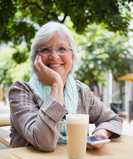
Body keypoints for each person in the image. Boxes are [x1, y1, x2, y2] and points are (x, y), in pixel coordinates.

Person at [8, 21, 122, 151]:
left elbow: (113, 120)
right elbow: (44, 142)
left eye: (62, 49)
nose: (54, 56)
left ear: (72, 56)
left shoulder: (81, 92)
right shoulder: (20, 92)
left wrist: (100, 134)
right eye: (45, 50)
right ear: (35, 59)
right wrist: (56, 83)